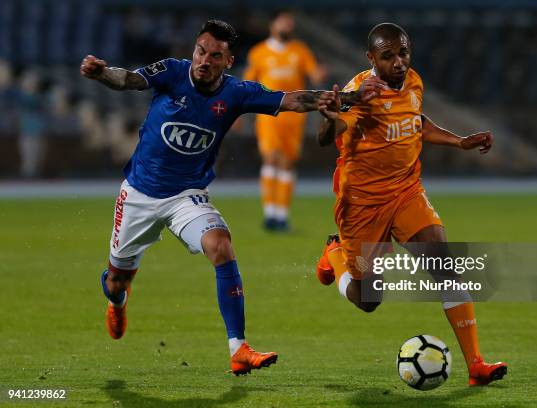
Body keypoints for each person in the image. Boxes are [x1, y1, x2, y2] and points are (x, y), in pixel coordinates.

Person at [80, 19, 382, 376]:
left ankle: (238, 348)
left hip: (186, 196)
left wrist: (346, 99)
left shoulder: (236, 93)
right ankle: (117, 301)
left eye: (215, 56)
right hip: (138, 196)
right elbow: (128, 79)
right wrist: (101, 73)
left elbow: (292, 100)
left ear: (228, 60)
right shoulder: (172, 72)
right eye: (201, 51)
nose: (204, 60)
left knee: (221, 245)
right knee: (117, 281)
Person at [315, 22, 507, 386]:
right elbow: (330, 135)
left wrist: (459, 142)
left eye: (403, 53)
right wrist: (327, 119)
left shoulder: (414, 81)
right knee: (368, 299)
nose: (398, 62)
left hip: (406, 191)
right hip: (362, 204)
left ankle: (476, 366)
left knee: (445, 265)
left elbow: (415, 121)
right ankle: (335, 255)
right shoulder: (361, 92)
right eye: (388, 56)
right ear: (372, 58)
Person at [243, 10, 326, 231]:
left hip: (295, 116)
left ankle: (282, 215)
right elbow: (248, 82)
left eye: (290, 24)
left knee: (288, 162)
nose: (287, 27)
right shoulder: (259, 52)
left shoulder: (300, 50)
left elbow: (313, 74)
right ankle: (270, 214)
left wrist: (320, 74)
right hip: (268, 114)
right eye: (284, 22)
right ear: (273, 25)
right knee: (271, 158)